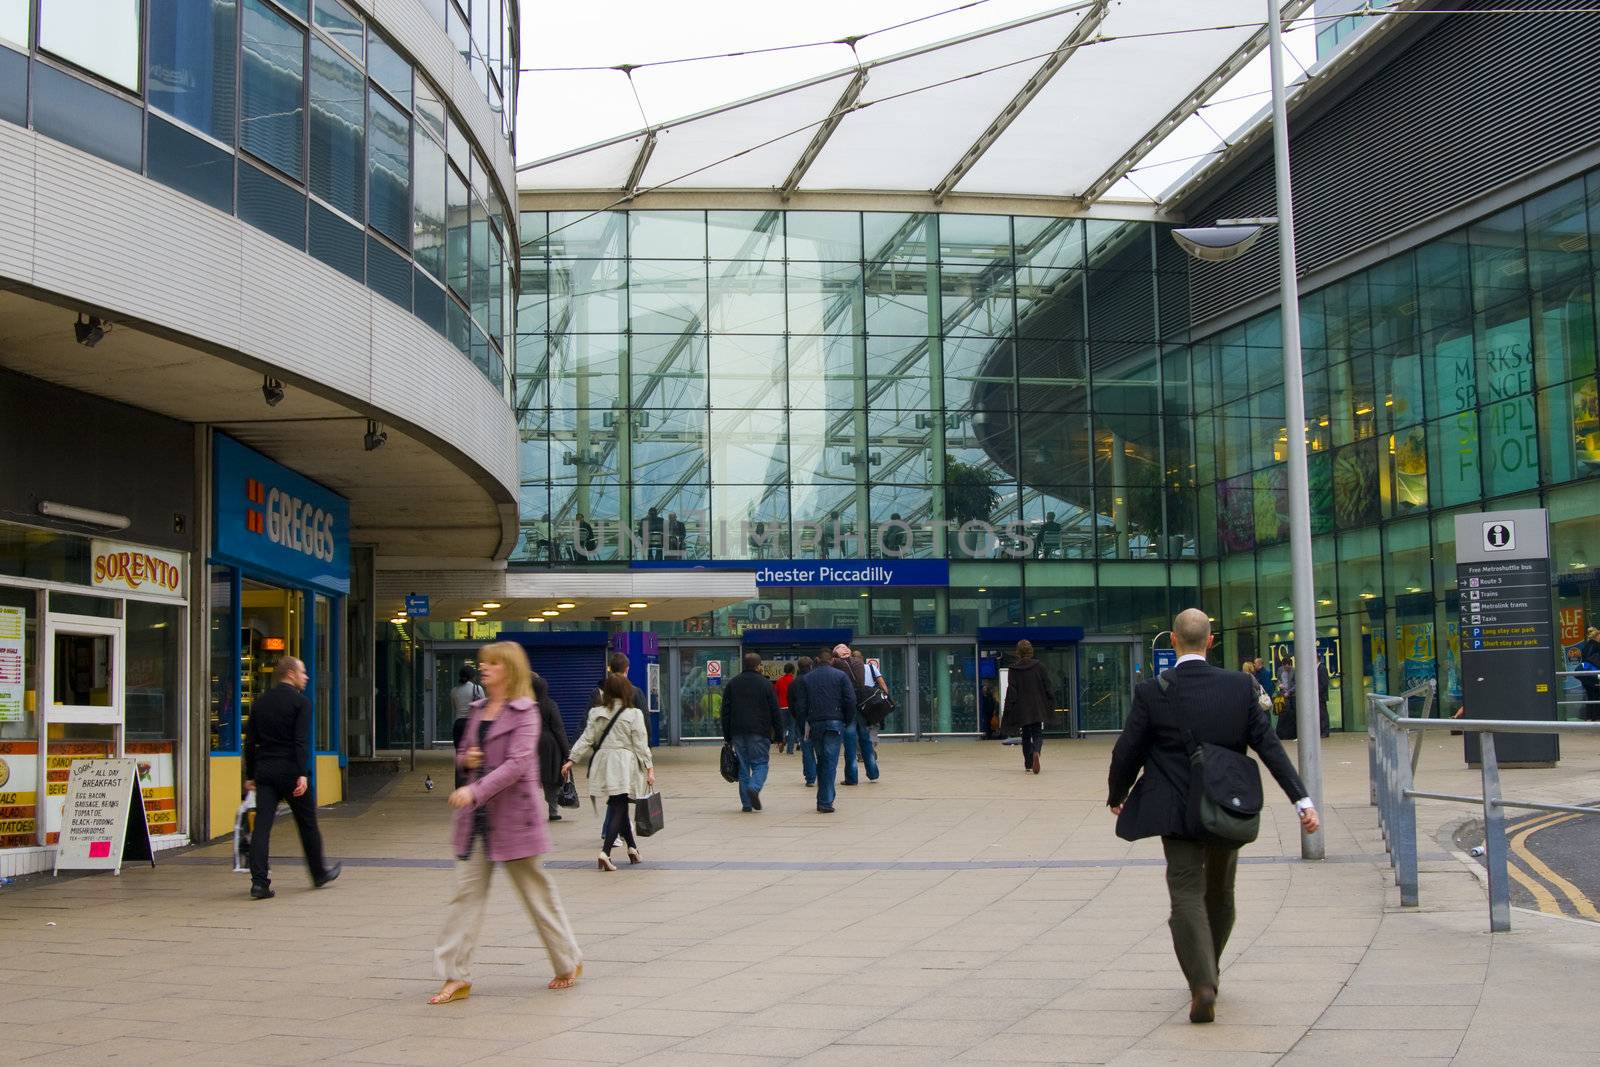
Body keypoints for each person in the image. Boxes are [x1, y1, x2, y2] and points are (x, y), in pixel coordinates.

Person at [1106, 609, 1319, 1025]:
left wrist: (1118, 794)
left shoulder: (1153, 691)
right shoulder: (1240, 687)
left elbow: (1127, 749)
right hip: (1225, 806)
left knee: (1185, 890)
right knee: (1220, 893)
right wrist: (1302, 801)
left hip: (1174, 810)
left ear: (1172, 640)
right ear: (1210, 640)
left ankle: (1201, 981)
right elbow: (1270, 748)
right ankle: (1211, 968)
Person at [432, 641, 582, 1003]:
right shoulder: (477, 709)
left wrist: (474, 790)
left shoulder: (525, 712)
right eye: (483, 663)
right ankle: (455, 976)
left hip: (514, 817)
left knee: (536, 895)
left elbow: (517, 765)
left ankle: (568, 961)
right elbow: (465, 754)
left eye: (493, 663)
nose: (484, 668)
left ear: (509, 669)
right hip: (477, 821)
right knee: (465, 897)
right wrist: (466, 761)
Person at [244, 656, 340, 899]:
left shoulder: (260, 703)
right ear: (290, 674)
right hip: (290, 771)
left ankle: (259, 882)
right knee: (307, 822)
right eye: (303, 672)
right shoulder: (301, 703)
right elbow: (300, 741)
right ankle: (318, 873)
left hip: (265, 771)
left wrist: (250, 775)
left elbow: (251, 742)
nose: (306, 677)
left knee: (262, 828)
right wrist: (302, 773)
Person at [564, 674, 655, 871]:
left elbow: (586, 738)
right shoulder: (634, 714)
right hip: (623, 764)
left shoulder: (596, 712)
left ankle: (632, 849)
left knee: (618, 803)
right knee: (619, 806)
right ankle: (605, 852)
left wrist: (572, 759)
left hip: (603, 764)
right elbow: (640, 744)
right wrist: (649, 767)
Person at [722, 652, 783, 812]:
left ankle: (746, 804)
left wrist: (727, 735)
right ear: (759, 666)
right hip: (759, 731)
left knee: (743, 767)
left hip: (737, 731)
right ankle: (754, 788)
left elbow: (725, 711)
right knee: (760, 764)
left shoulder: (732, 683)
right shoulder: (765, 684)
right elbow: (775, 711)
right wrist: (779, 735)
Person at [797, 648, 854, 813]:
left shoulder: (807, 678)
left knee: (822, 760)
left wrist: (803, 725)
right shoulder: (841, 676)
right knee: (830, 762)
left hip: (815, 723)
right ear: (832, 660)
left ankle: (824, 797)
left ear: (817, 660)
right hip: (835, 722)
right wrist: (846, 719)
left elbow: (801, 706)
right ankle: (825, 801)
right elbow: (850, 700)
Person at [1002, 639, 1051, 774]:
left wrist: (1008, 708)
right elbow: (1047, 686)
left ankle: (1028, 763)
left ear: (1018, 652)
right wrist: (1049, 701)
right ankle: (1036, 751)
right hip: (1037, 706)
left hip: (1022, 708)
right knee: (1037, 733)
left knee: (1025, 735)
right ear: (1031, 651)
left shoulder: (1013, 669)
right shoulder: (1039, 666)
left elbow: (1012, 691)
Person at [835, 645, 880, 784]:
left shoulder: (837, 666)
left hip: (848, 709)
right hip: (862, 707)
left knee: (850, 745)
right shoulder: (859, 664)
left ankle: (852, 777)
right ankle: (873, 773)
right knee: (865, 741)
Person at [531, 672, 571, 821]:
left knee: (533, 777)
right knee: (551, 779)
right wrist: (567, 753)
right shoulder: (550, 704)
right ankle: (553, 811)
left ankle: (531, 811)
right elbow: (558, 729)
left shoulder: (527, 705)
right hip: (549, 745)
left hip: (531, 742)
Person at [450, 666, 484, 789]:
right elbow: (483, 706)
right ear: (473, 676)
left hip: (458, 724)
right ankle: (472, 785)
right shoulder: (477, 688)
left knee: (460, 754)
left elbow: (454, 707)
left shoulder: (454, 690)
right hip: (472, 724)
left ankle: (459, 786)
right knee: (474, 753)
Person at [793, 657, 816, 784]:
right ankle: (821, 774)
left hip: (802, 720)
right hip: (817, 718)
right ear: (811, 666)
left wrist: (797, 717)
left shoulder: (795, 682)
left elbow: (792, 703)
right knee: (820, 749)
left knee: (806, 750)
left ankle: (810, 777)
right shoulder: (816, 680)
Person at [1576, 627, 1600, 721]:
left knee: (1590, 695)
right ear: (1596, 636)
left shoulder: (1586, 646)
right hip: (1595, 674)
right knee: (1596, 695)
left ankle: (1590, 716)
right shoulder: (1596, 646)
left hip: (1586, 675)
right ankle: (1596, 717)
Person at [774, 662, 797, 754]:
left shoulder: (779, 681)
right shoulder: (794, 681)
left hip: (781, 707)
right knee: (792, 728)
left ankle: (781, 740)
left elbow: (775, 694)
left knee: (783, 727)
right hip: (792, 707)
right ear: (792, 671)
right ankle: (790, 750)